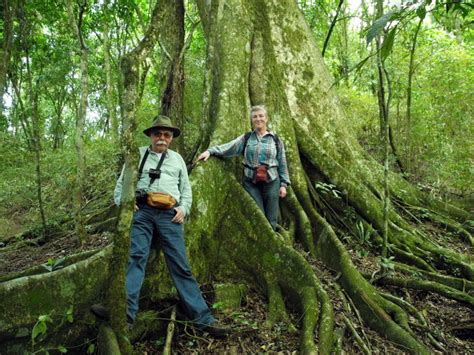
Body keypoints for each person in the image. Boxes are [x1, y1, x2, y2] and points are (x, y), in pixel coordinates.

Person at [91, 115, 229, 337]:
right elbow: (120, 186)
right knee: (135, 257)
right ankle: (124, 314)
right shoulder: (137, 155)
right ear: (151, 136)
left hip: (169, 215)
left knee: (180, 265)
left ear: (171, 138)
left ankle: (204, 320)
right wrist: (126, 204)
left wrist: (184, 208)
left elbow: (186, 189)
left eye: (166, 134)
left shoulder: (177, 160)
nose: (162, 138)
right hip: (142, 212)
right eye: (158, 134)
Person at [197, 105, 290, 230]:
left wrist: (284, 185)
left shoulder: (275, 140)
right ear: (251, 120)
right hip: (251, 181)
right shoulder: (247, 138)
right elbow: (229, 147)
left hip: (272, 181)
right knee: (258, 216)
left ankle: (273, 244)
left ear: (266, 118)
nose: (258, 119)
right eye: (255, 117)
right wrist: (210, 151)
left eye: (261, 116)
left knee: (271, 218)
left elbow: (282, 162)